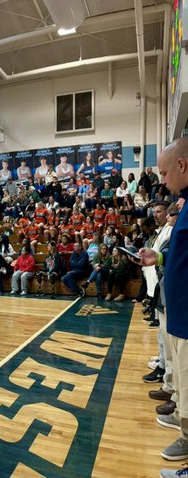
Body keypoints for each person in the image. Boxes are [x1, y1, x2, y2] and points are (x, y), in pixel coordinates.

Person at [151, 140, 188, 474]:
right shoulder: (186, 205)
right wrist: (159, 256)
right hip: (178, 311)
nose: (161, 181)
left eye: (164, 173)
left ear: (182, 166)